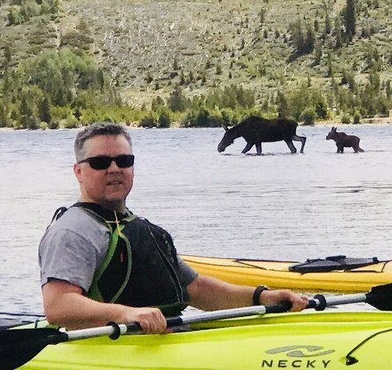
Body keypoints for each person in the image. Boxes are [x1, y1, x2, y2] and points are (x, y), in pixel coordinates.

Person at [39, 121, 307, 333]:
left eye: (124, 161)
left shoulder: (141, 228)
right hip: (111, 349)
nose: (114, 169)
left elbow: (197, 290)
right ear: (78, 172)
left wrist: (261, 297)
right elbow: (59, 305)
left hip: (162, 339)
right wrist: (127, 314)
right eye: (100, 162)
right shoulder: (73, 231)